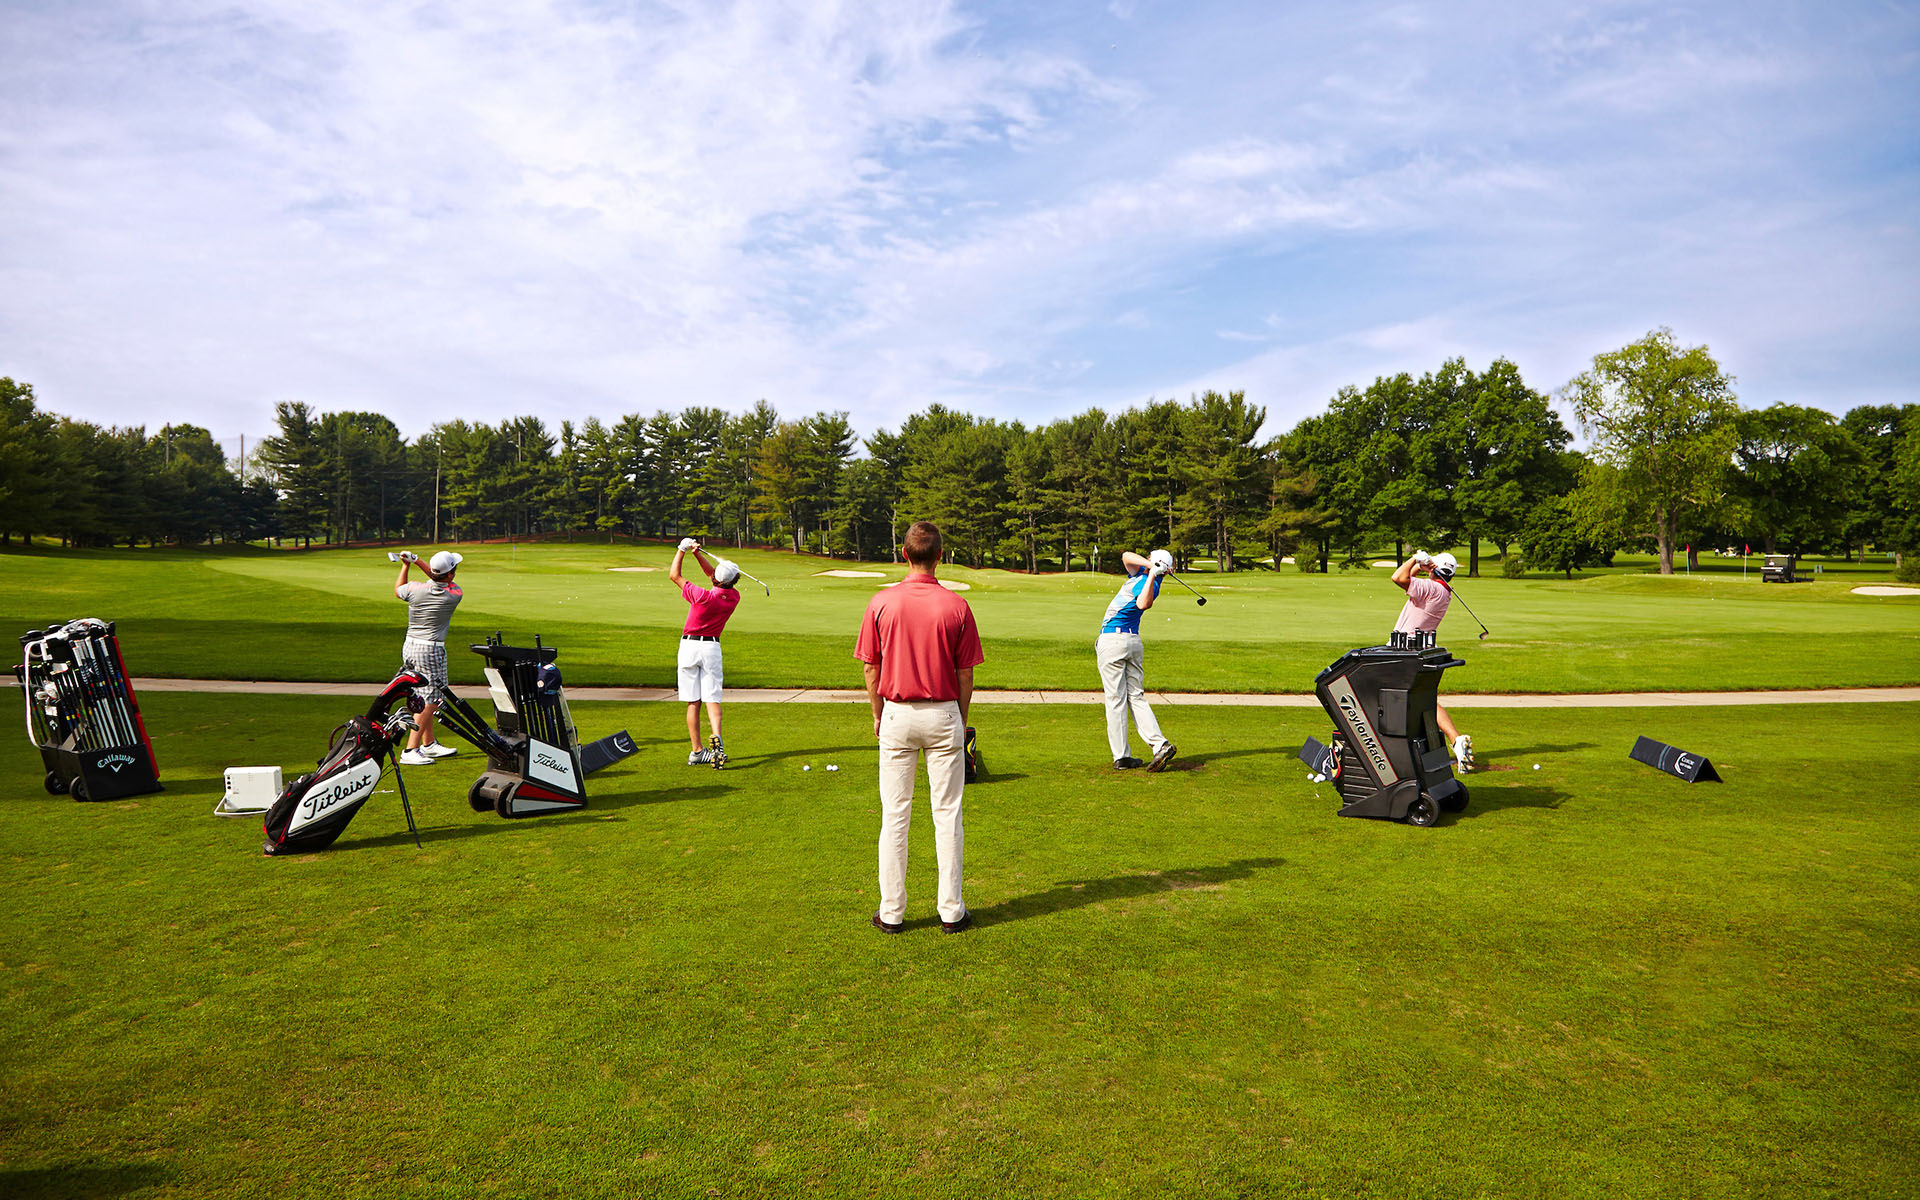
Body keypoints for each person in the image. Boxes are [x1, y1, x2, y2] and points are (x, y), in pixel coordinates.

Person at [854, 521, 984, 935]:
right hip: (943, 712)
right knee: (947, 815)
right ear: (940, 556)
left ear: (904, 554)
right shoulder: (957, 606)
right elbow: (966, 673)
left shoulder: (881, 602)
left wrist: (877, 714)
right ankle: (951, 911)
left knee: (895, 816)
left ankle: (892, 912)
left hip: (896, 712)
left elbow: (871, 668)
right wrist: (960, 717)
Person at [1390, 550, 1473, 773]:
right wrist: (1423, 565)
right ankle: (1455, 740)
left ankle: (1392, 749)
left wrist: (1415, 559)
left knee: (1392, 696)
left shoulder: (1431, 588)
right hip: (1421, 649)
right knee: (1423, 699)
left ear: (1437, 569)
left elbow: (1398, 577)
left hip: (1405, 650)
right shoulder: (1443, 591)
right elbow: (1410, 578)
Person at [1096, 549, 1178, 772]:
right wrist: (1154, 568)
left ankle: (1122, 757)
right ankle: (1160, 745)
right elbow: (1126, 556)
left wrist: (1152, 573)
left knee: (1116, 700)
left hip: (1113, 641)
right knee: (1135, 696)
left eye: (1150, 558)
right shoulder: (1141, 573)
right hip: (1131, 642)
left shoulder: (1149, 582)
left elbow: (1143, 604)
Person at [669, 538, 743, 766]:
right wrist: (697, 554)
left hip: (689, 647)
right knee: (712, 699)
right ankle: (717, 738)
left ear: (716, 579)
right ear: (734, 580)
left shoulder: (701, 596)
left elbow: (674, 575)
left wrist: (682, 550)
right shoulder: (734, 597)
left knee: (693, 702)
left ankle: (697, 751)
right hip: (711, 648)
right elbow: (715, 576)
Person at [392, 549, 464, 767]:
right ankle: (410, 749)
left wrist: (407, 565)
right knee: (432, 699)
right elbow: (439, 578)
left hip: (410, 646)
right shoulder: (454, 594)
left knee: (424, 696)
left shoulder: (414, 588)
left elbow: (398, 590)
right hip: (430, 650)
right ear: (450, 574)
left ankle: (428, 743)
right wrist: (416, 561)